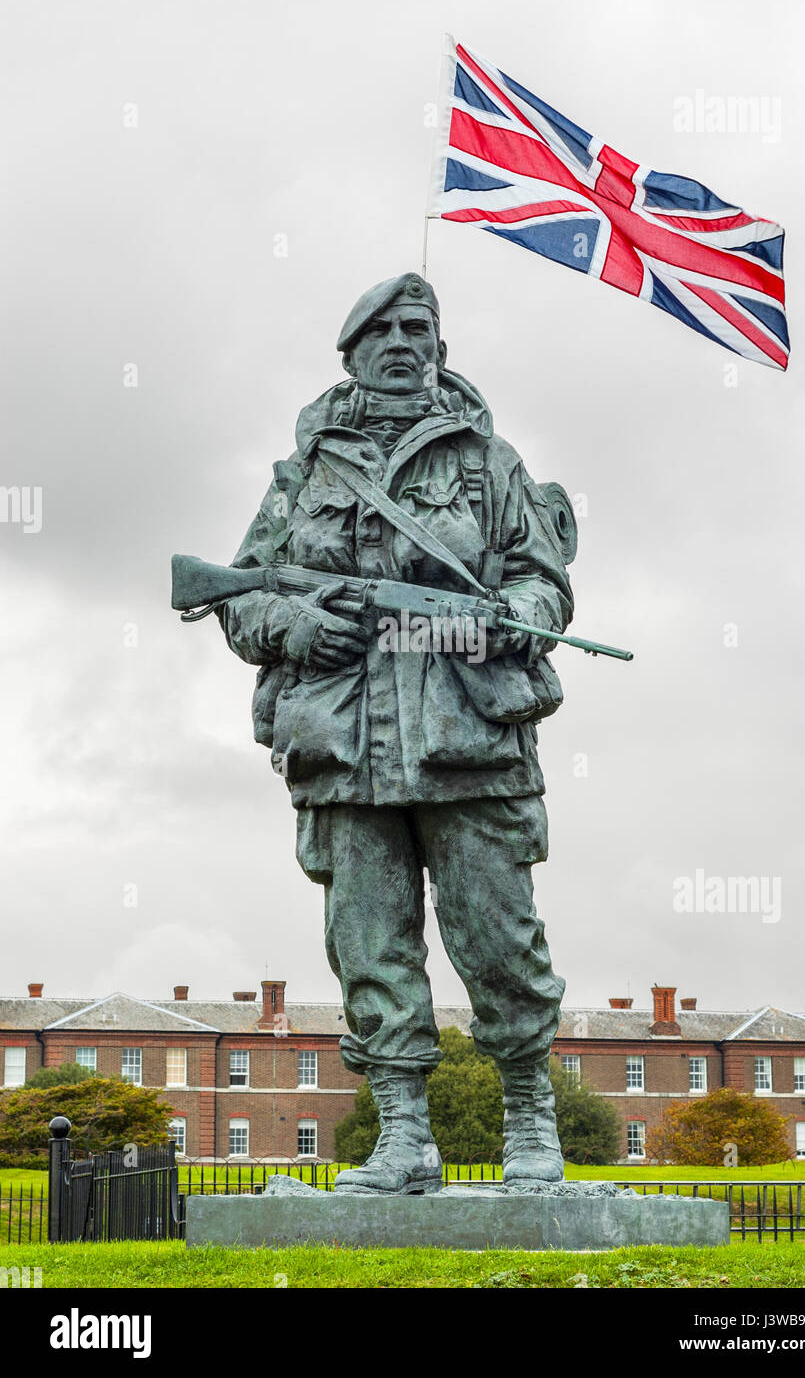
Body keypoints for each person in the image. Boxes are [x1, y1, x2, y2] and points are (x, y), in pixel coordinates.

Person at [219, 273, 574, 1193]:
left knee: (500, 942)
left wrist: (516, 614)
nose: (403, 341)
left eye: (420, 327)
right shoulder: (298, 478)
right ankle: (404, 1134)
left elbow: (545, 579)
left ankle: (530, 1121)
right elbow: (239, 594)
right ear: (353, 352)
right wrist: (294, 627)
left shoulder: (490, 465)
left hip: (470, 743)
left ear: (440, 349)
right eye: (383, 330)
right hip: (344, 750)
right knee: (368, 945)